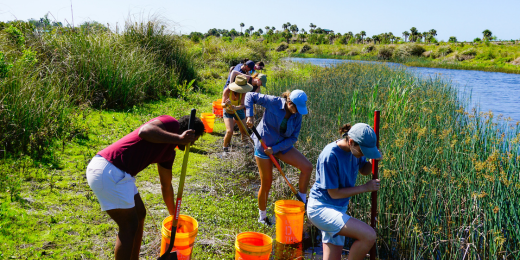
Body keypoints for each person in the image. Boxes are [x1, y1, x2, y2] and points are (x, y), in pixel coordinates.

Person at [85, 115, 205, 260]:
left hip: (121, 174)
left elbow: (166, 186)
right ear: (188, 133)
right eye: (193, 140)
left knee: (140, 213)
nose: (191, 145)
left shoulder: (168, 153)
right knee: (129, 226)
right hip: (109, 170)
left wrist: (175, 217)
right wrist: (179, 139)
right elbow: (145, 131)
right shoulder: (171, 123)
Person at [307, 123, 382, 260]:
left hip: (339, 208)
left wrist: (373, 160)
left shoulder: (355, 151)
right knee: (368, 236)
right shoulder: (330, 156)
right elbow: (334, 193)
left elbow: (364, 170)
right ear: (352, 142)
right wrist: (365, 188)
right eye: (363, 151)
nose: (363, 155)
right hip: (321, 208)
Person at [245, 90, 313, 226]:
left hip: (281, 146)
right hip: (263, 145)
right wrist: (250, 116)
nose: (297, 112)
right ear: (289, 103)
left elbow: (293, 137)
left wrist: (275, 150)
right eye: (296, 108)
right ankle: (262, 218)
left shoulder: (297, 115)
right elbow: (249, 95)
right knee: (267, 183)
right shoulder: (274, 102)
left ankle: (302, 203)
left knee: (307, 167)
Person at [222, 74, 253, 153]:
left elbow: (242, 105)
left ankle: (245, 148)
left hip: (238, 110)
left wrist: (236, 108)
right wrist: (226, 104)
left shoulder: (243, 93)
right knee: (230, 131)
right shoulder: (227, 91)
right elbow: (222, 104)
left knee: (244, 130)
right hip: (228, 111)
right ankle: (225, 149)